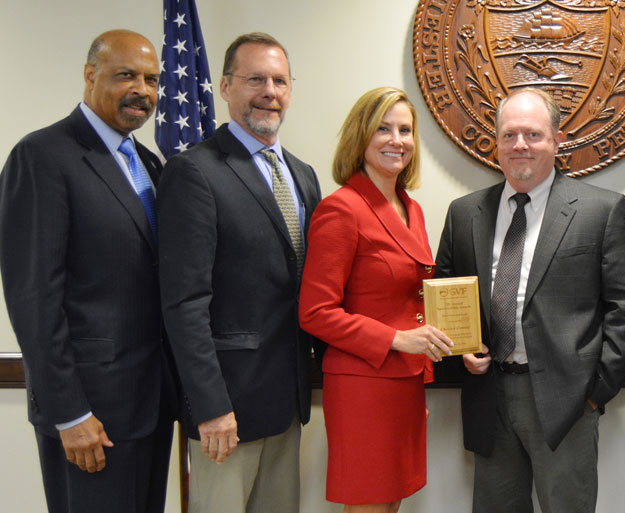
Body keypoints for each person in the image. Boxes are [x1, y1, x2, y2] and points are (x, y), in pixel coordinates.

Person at [435, 87, 625, 513]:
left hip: (566, 401)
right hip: (488, 396)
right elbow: (446, 294)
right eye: (510, 135)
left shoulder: (601, 210)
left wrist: (594, 392)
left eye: (533, 135)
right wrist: (462, 354)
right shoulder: (464, 212)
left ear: (557, 139)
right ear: (496, 142)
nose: (520, 146)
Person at [0, 29, 177, 513]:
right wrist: (69, 412)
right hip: (90, 412)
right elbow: (34, 297)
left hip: (150, 403)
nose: (143, 89)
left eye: (152, 79)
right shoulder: (42, 157)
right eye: (127, 75)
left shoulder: (147, 163)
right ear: (90, 74)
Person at [158, 32, 321, 513]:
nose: (269, 91)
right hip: (225, 410)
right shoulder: (195, 171)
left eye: (279, 80)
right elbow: (184, 303)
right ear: (225, 87)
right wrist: (209, 407)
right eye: (255, 79)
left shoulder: (303, 174)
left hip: (287, 403)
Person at [298, 86, 452, 512]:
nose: (396, 140)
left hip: (404, 384)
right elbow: (315, 312)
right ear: (360, 137)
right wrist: (398, 340)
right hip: (362, 385)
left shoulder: (411, 208)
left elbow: (411, 298)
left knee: (391, 503)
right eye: (383, 129)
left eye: (405, 130)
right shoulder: (341, 209)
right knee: (369, 505)